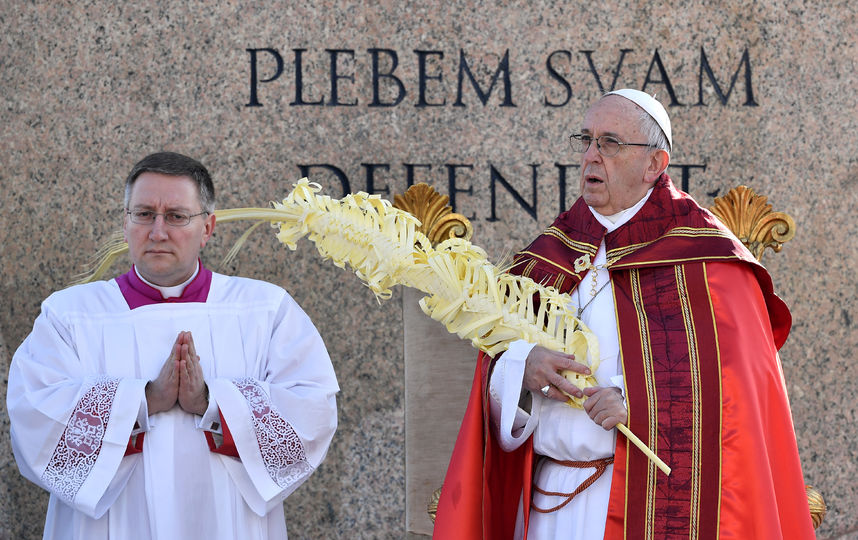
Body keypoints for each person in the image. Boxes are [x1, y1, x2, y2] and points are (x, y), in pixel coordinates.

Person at [433, 90, 815, 539]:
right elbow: (492, 371)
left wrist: (638, 405)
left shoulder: (707, 263)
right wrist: (522, 368)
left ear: (655, 163)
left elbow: (739, 403)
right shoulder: (548, 256)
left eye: (610, 143)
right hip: (546, 503)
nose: (591, 156)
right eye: (587, 140)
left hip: (643, 503)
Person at [7, 152, 339, 539]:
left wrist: (211, 402)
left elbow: (311, 414)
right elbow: (35, 418)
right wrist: (144, 400)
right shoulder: (69, 315)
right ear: (125, 221)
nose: (158, 231)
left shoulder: (266, 311)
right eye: (144, 214)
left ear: (208, 227)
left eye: (177, 216)